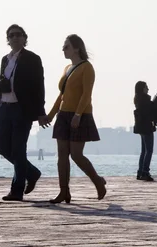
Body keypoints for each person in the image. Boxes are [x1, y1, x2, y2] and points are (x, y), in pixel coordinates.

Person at [45, 34, 106, 203]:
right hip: (63, 115)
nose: (63, 49)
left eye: (66, 46)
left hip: (80, 114)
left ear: (76, 48)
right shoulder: (67, 68)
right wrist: (50, 115)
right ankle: (64, 191)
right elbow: (62, 95)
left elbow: (87, 95)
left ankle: (98, 181)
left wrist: (78, 114)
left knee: (76, 155)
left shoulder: (87, 68)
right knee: (62, 155)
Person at [0, 24, 49, 201]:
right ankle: (31, 173)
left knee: (18, 149)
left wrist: (40, 112)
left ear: (25, 38)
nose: (15, 38)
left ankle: (16, 190)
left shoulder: (32, 59)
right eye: (12, 35)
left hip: (21, 109)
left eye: (19, 35)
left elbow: (39, 86)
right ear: (7, 40)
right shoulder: (5, 59)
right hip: (4, 108)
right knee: (3, 147)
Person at [133, 81, 157, 181]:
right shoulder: (145, 100)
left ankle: (140, 172)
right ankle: (145, 172)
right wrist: (155, 100)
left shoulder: (137, 100)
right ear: (142, 89)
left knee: (144, 151)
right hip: (147, 127)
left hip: (141, 128)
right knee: (149, 150)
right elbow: (151, 109)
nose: (148, 89)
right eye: (146, 87)